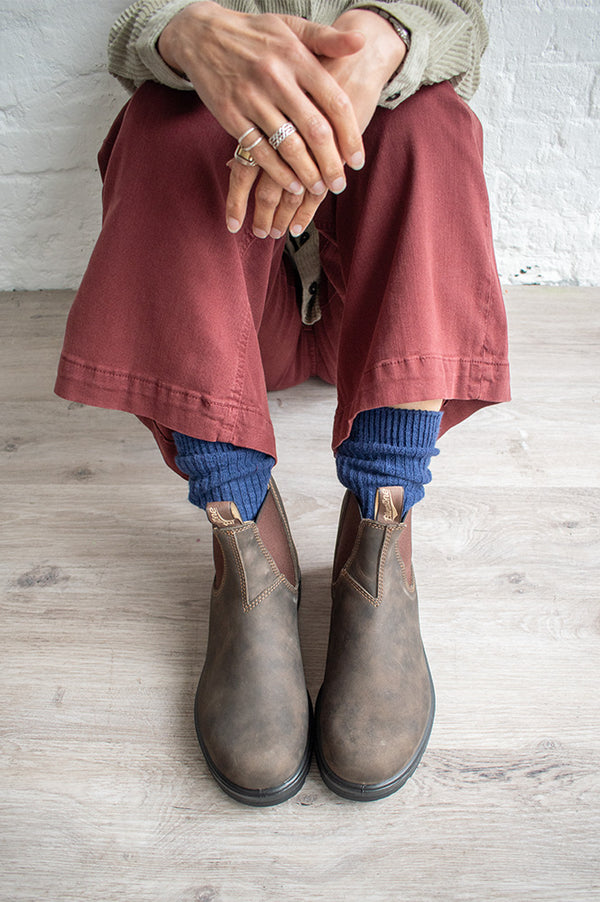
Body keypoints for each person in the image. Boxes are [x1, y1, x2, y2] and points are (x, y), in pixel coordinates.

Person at [55, 0, 510, 806]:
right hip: (234, 324)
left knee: (430, 119)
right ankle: (243, 529)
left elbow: (462, 25)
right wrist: (181, 32)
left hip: (369, 323)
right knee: (165, 122)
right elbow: (130, 28)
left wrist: (387, 44)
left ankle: (383, 519)